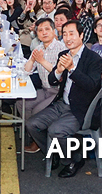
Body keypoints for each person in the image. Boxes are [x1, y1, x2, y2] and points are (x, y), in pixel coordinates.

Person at [26, 20, 102, 178]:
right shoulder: (64, 54)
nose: (68, 38)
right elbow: (53, 80)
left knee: (56, 131)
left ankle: (74, 160)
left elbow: (91, 86)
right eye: (65, 34)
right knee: (32, 124)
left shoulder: (93, 59)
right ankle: (53, 152)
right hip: (62, 103)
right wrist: (59, 71)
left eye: (72, 33)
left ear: (81, 35)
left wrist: (72, 69)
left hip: (81, 108)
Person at [21, 17, 68, 153]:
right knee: (21, 103)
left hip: (57, 92)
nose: (44, 33)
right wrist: (33, 59)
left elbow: (59, 74)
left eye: (47, 29)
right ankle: (35, 136)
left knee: (36, 113)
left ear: (54, 31)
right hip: (45, 89)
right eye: (40, 30)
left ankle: (40, 142)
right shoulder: (39, 47)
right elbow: (27, 70)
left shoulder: (62, 49)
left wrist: (41, 60)